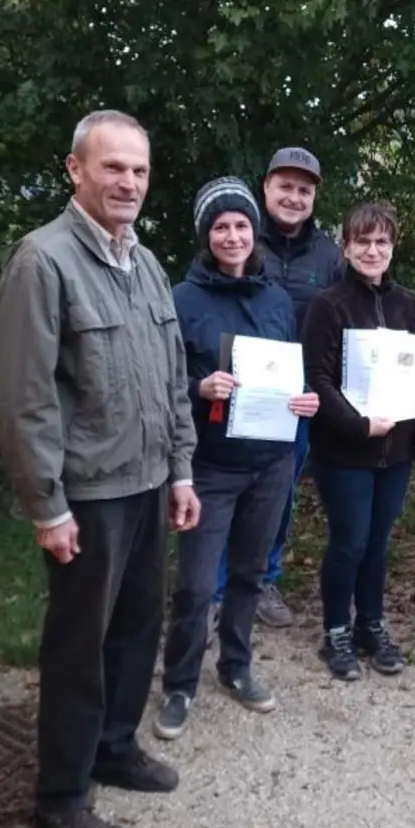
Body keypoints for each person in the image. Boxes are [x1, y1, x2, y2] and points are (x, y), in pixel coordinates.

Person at [0, 109, 201, 828]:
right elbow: (25, 399)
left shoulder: (144, 263)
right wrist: (46, 506)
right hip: (86, 494)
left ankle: (115, 745)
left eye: (139, 170)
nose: (129, 182)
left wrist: (181, 469)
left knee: (135, 629)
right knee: (78, 646)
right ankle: (61, 794)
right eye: (113, 167)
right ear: (75, 169)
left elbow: (172, 377)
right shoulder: (41, 262)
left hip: (148, 484)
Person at [153, 176, 319, 739]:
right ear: (206, 235)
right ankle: (178, 683)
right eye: (220, 226)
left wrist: (305, 400)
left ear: (255, 233)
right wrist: (201, 388)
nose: (232, 236)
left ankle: (236, 667)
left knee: (249, 574)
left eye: (241, 225)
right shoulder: (181, 300)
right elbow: (163, 379)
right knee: (197, 586)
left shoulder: (275, 299)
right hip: (209, 467)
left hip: (271, 463)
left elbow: (289, 369)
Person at [209, 147, 345, 632]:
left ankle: (264, 578)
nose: (294, 197)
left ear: (314, 197)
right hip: (233, 393)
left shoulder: (330, 256)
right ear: (265, 187)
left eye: (304, 190)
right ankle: (216, 591)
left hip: (295, 403)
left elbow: (339, 325)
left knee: (278, 497)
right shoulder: (238, 237)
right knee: (222, 493)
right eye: (285, 186)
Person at [303, 200, 415, 681]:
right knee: (349, 543)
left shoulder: (409, 305)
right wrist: (360, 426)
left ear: (393, 246)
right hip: (344, 451)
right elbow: (316, 378)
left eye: (382, 241)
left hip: (396, 454)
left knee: (378, 544)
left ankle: (371, 626)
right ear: (346, 246)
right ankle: (336, 630)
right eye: (363, 241)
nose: (373, 250)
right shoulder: (329, 305)